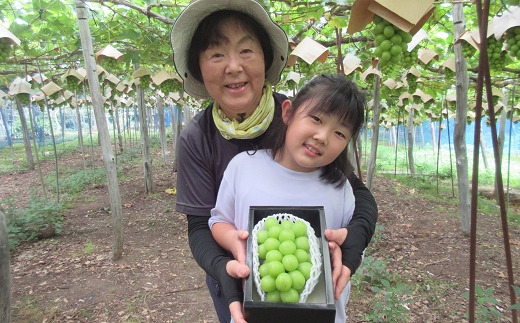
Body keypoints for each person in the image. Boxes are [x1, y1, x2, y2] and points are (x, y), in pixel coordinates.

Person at [170, 1, 378, 322]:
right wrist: (223, 270)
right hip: (237, 280)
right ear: (199, 67)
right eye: (216, 54)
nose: (234, 66)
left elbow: (354, 193)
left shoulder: (302, 120)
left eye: (247, 51)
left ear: (265, 60)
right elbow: (201, 225)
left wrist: (353, 244)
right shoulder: (198, 139)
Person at [209, 73, 366, 323]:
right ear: (288, 113)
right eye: (316, 118)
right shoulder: (243, 168)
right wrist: (234, 241)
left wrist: (342, 250)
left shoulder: (341, 188)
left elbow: (350, 243)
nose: (323, 136)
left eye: (340, 133)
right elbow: (218, 220)